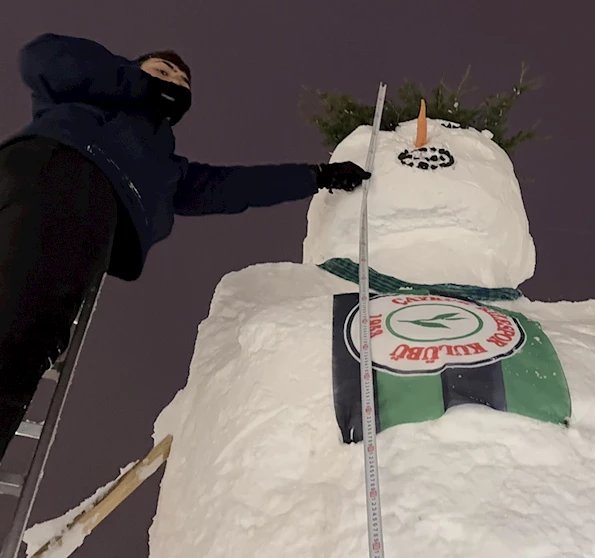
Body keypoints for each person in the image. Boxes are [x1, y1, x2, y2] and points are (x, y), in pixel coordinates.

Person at [0, 33, 370, 458]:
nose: (173, 80)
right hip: (55, 173)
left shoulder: (167, 172)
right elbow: (40, 57)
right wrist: (133, 83)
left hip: (91, 216)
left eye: (181, 81)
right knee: (19, 323)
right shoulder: (86, 100)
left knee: (25, 334)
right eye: (162, 71)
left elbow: (239, 187)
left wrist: (317, 176)